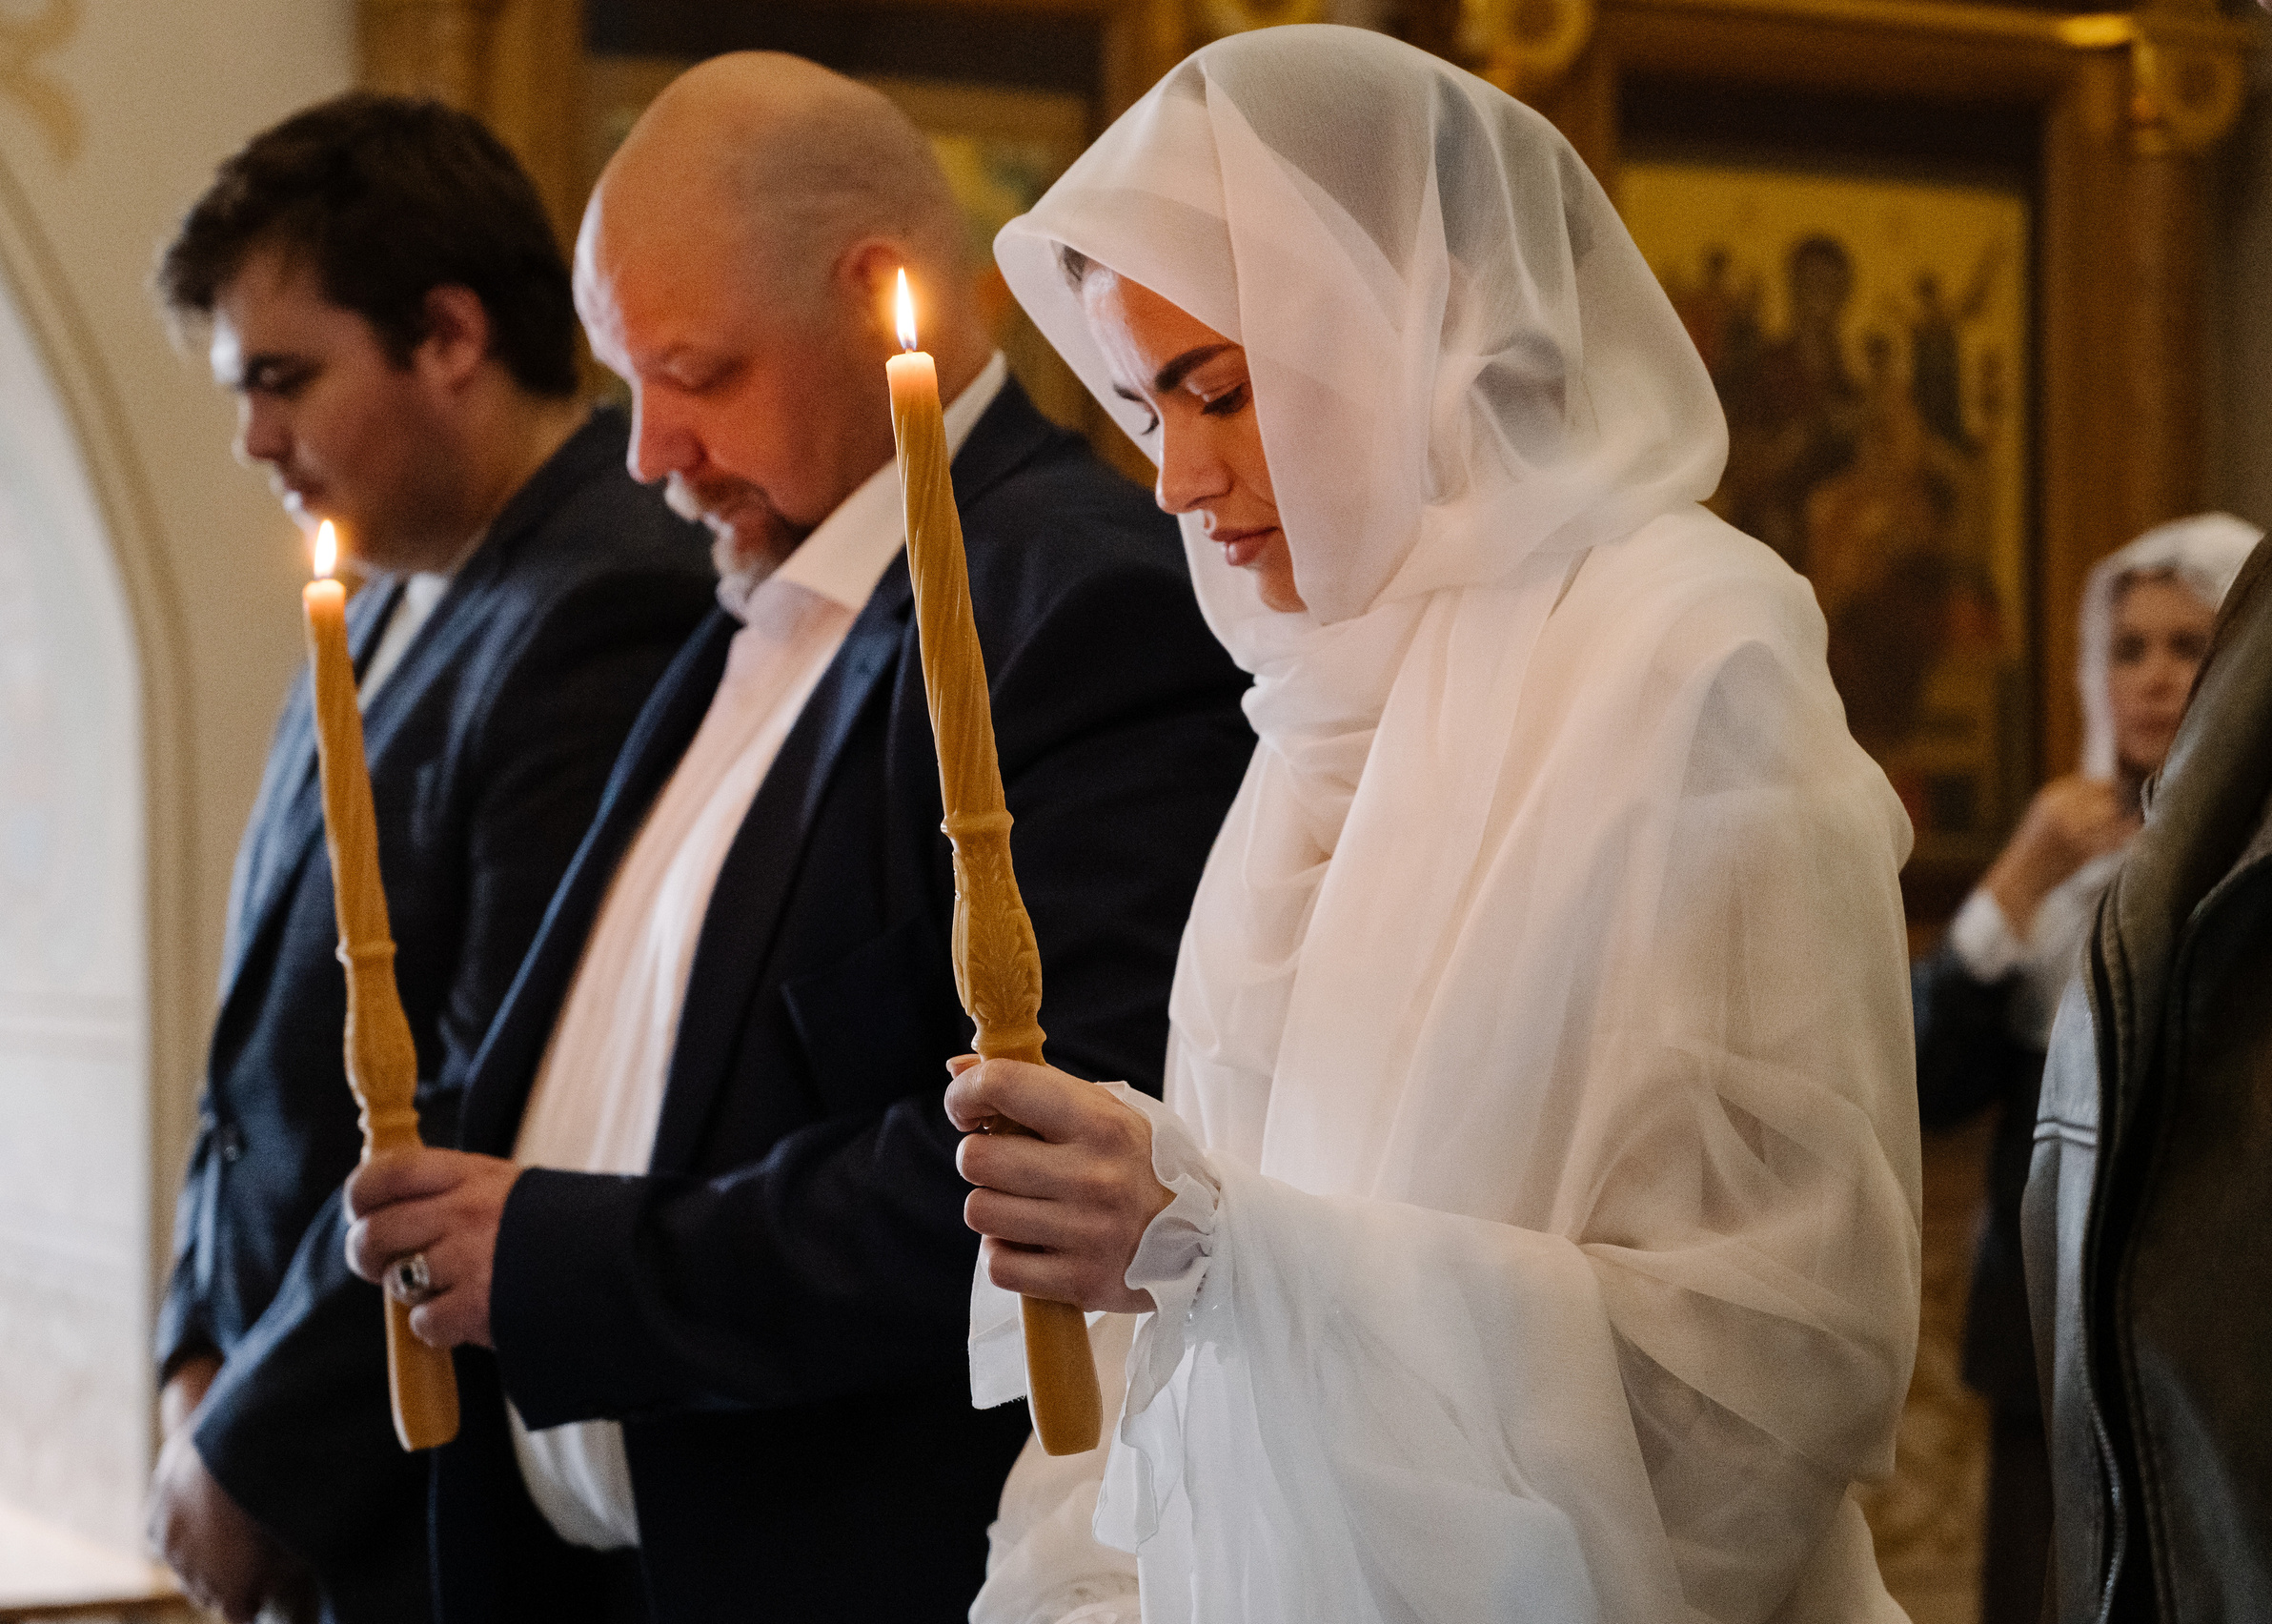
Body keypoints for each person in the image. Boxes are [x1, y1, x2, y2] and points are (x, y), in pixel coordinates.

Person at [946, 28, 1922, 1623]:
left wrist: (1220, 1246)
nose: (1180, 480)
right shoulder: (1323, 692)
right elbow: (1206, 1261)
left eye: (1222, 390)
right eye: (1141, 409)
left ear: (1393, 330)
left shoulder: (1685, 650)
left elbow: (1773, 1360)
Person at [335, 52, 1254, 1624]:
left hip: (851, 1561)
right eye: (630, 387)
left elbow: (1056, 1157)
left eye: (693, 372)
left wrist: (566, 1262)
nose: (646, 452)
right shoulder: (748, 608)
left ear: (874, 289)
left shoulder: (1077, 599)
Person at [145, 93, 716, 1624]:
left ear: (449, 336)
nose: (255, 436)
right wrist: (194, 1339)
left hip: (440, 1482)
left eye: (284, 377)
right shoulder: (384, 580)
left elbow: (486, 1087)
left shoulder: (609, 602)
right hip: (305, 1424)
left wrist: (262, 1445)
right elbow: (259, 1037)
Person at [1915, 515, 2253, 1624]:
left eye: (2189, 646)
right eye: (2127, 649)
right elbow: (1921, 1083)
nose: (2154, 678)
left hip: (2230, 1343)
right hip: (2048, 1340)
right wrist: (2015, 882)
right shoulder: (2052, 861)